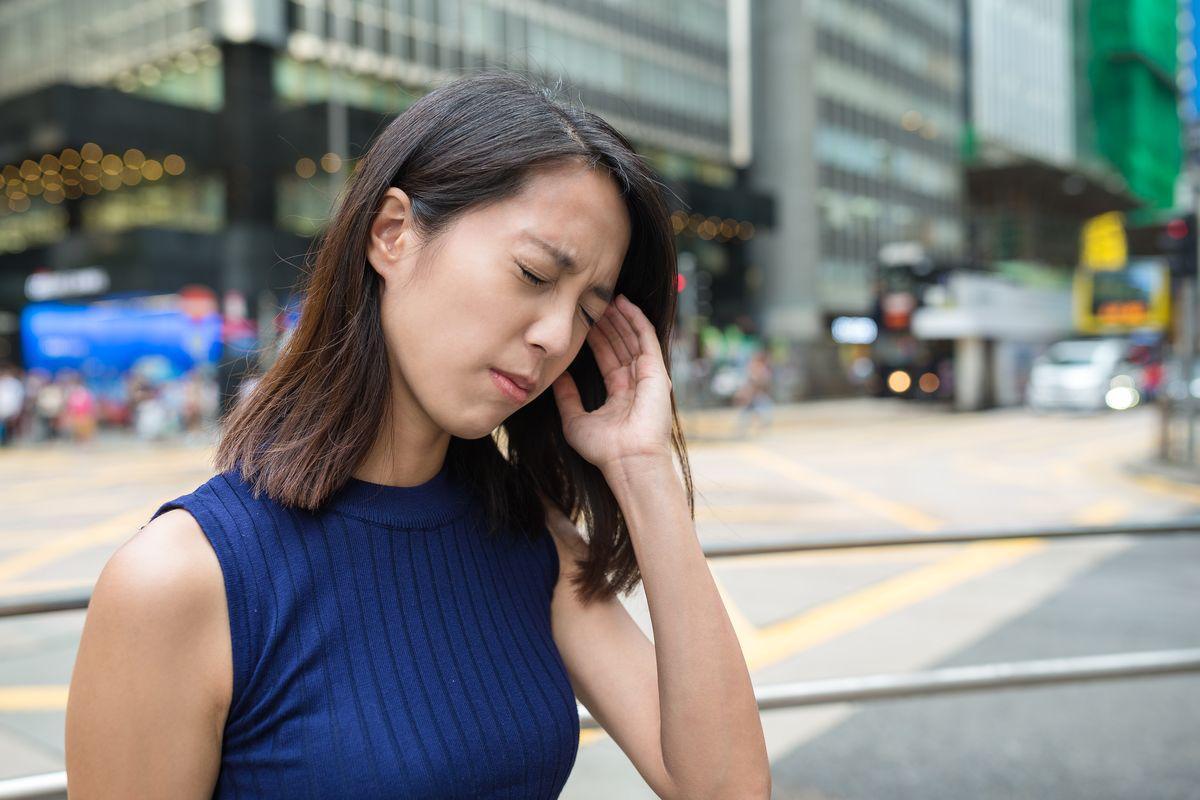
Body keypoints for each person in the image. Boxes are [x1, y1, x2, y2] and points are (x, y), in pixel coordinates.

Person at [65, 71, 770, 799]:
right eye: (532, 273)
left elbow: (726, 790)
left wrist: (643, 465)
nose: (557, 335)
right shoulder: (181, 580)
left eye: (590, 311)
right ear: (392, 234)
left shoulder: (530, 540)